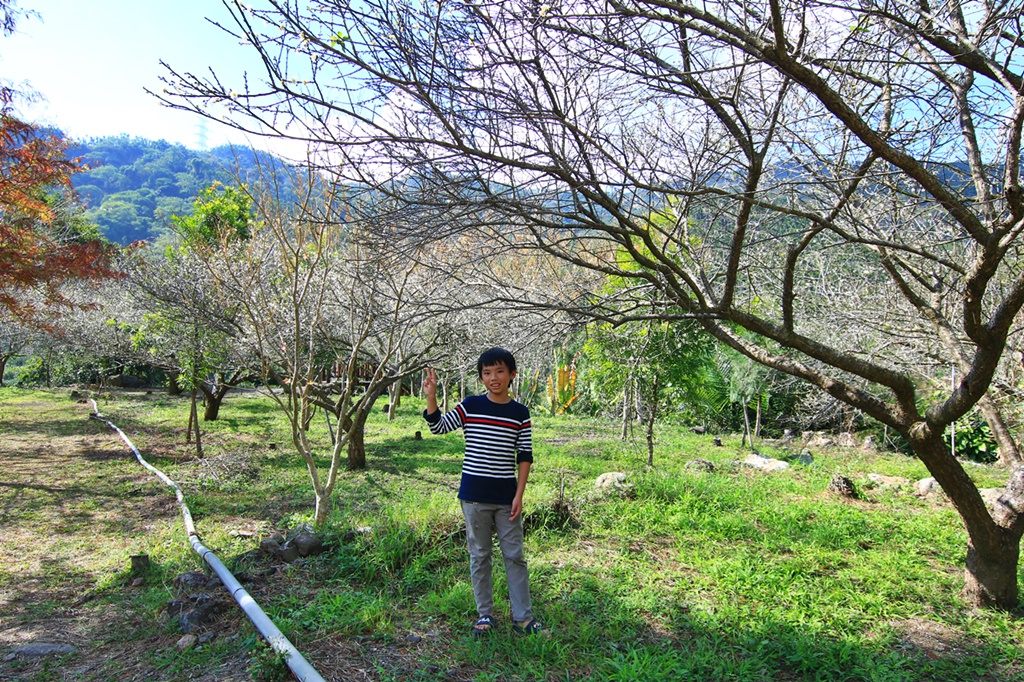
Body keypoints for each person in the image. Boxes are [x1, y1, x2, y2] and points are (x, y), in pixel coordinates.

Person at [421, 347, 543, 636]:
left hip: (506, 498)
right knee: (480, 555)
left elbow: (524, 455)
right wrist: (431, 397)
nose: (494, 377)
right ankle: (484, 615)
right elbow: (438, 427)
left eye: (500, 371)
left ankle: (523, 618)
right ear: (481, 378)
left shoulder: (519, 413)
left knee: (514, 555)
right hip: (474, 496)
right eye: (487, 373)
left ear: (512, 374)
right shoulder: (471, 406)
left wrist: (519, 495)